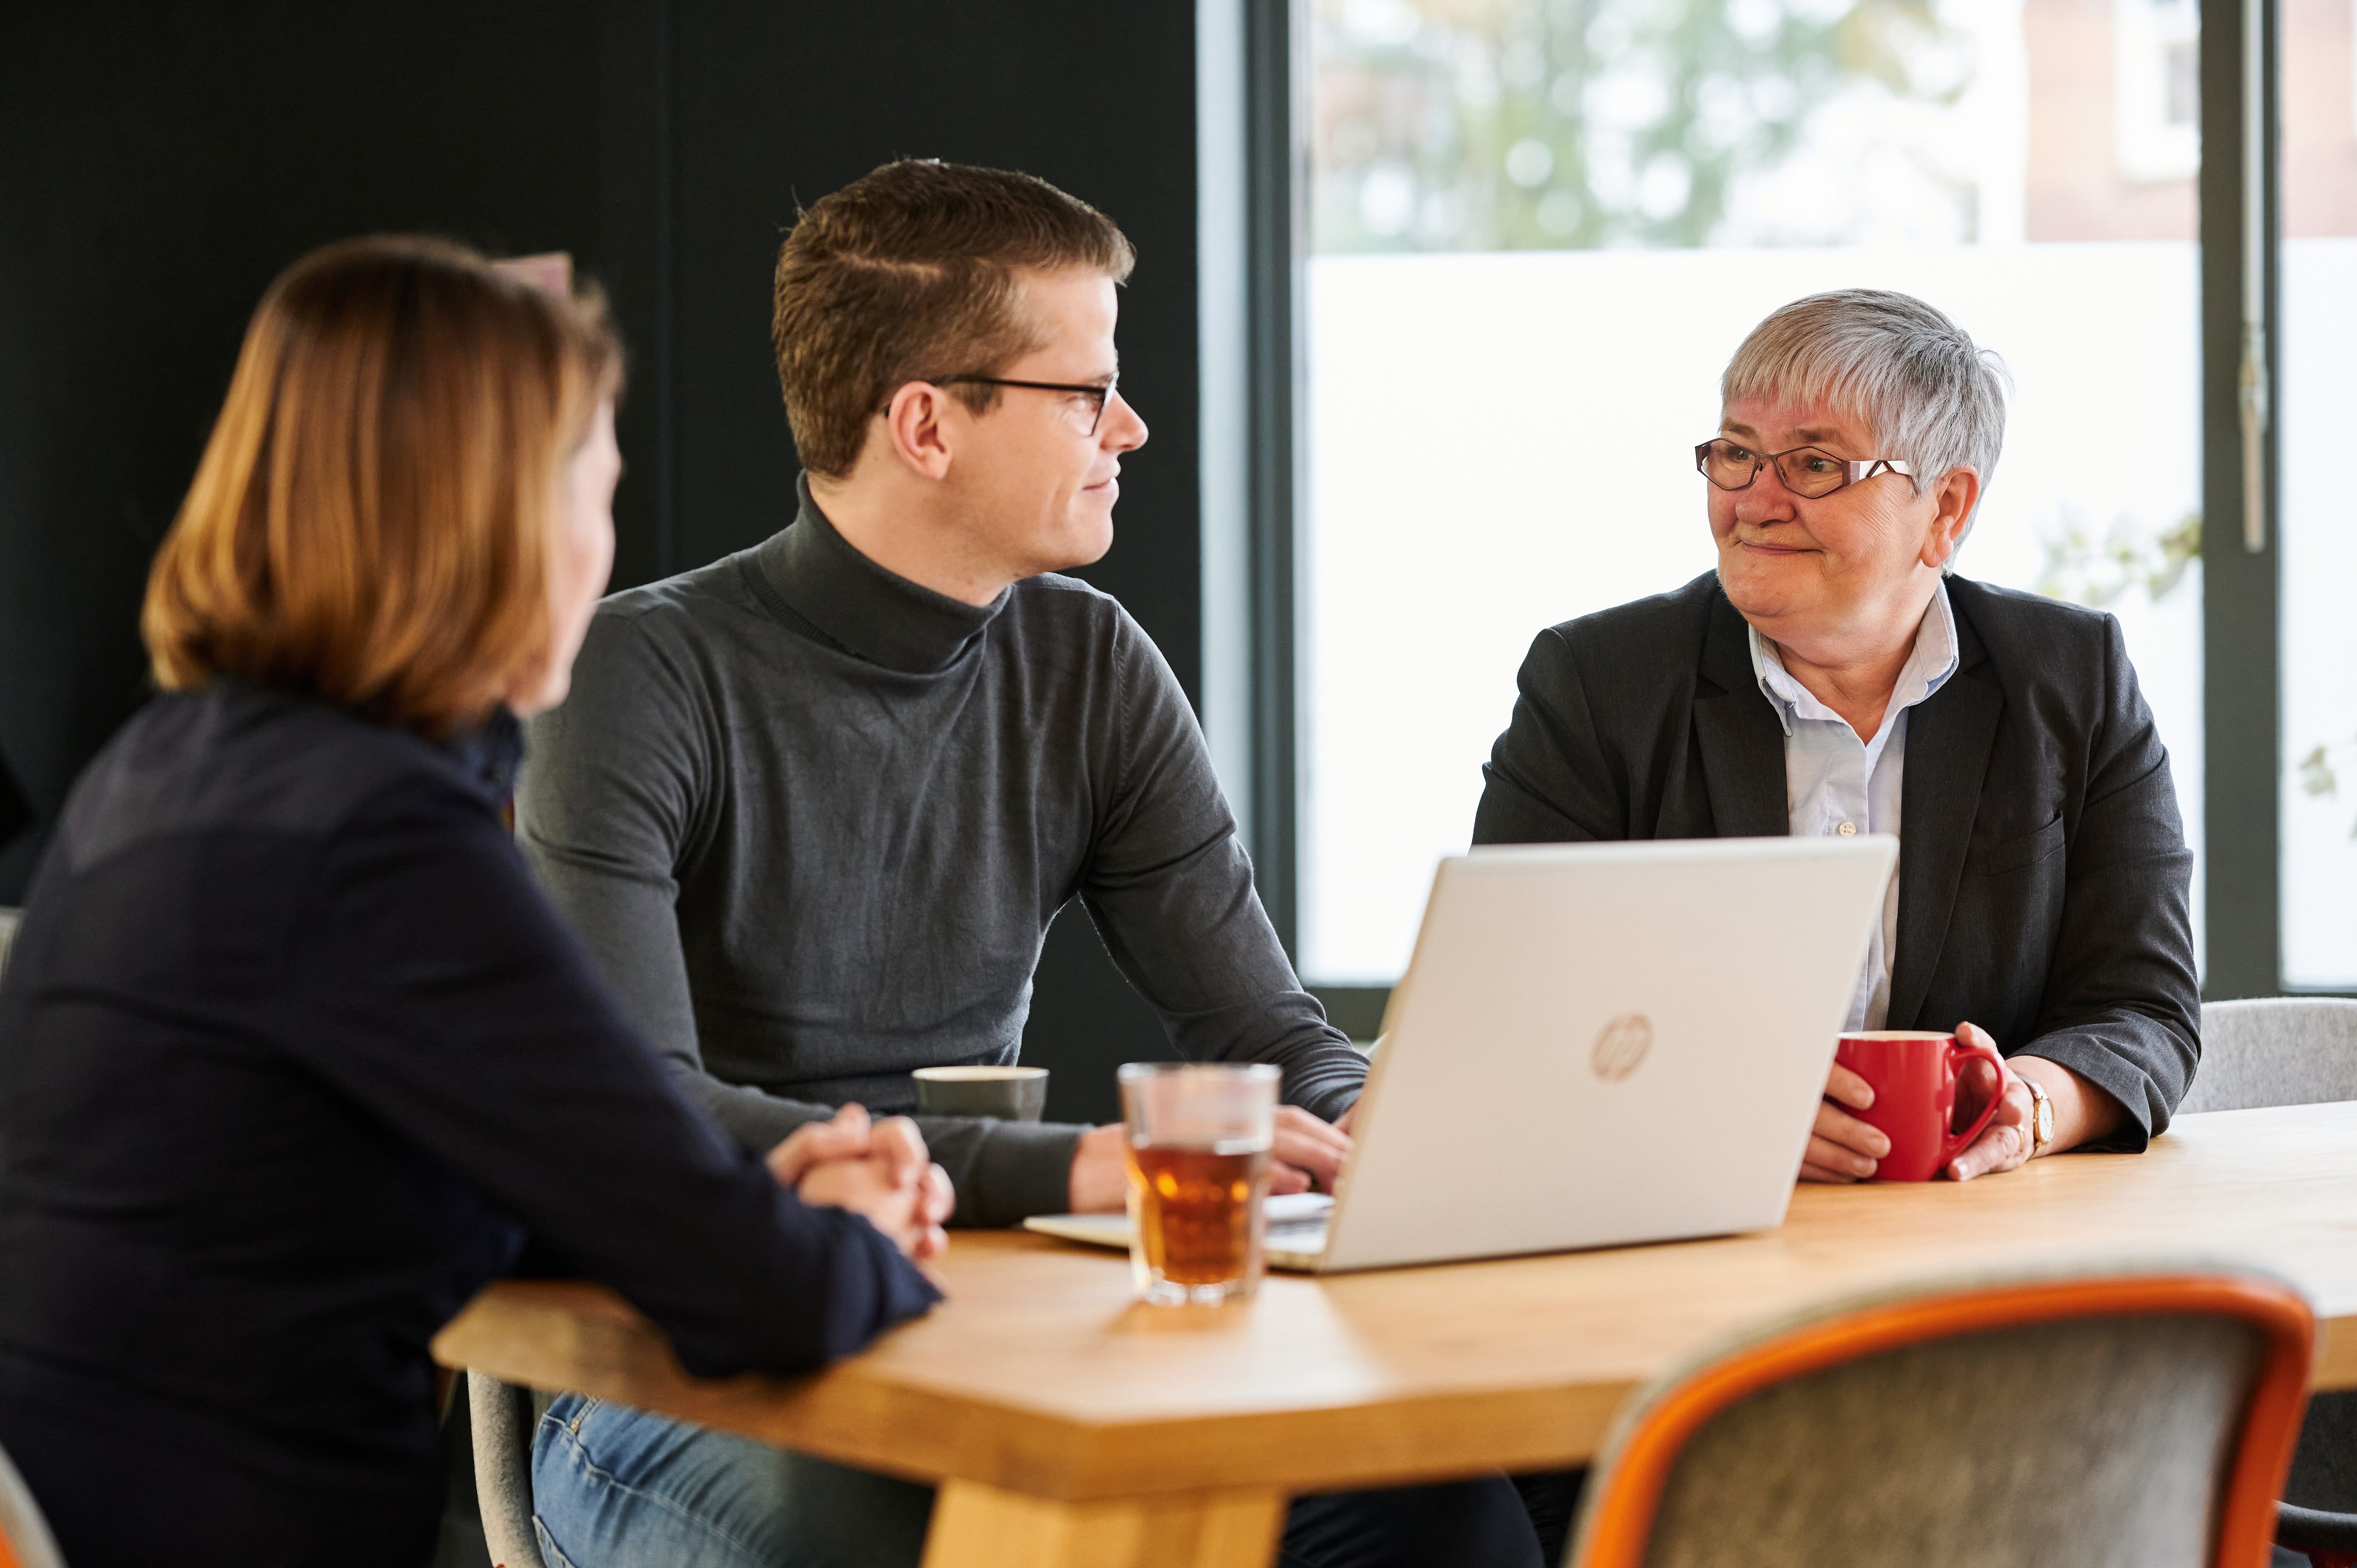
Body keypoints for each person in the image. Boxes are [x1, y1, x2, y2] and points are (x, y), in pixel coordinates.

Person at [520, 160, 1550, 1567]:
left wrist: (1380, 1125)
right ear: (927, 426)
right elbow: (641, 1113)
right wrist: (1086, 1169)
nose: (1130, 427)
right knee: (884, 1543)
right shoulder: (635, 676)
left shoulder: (1088, 661)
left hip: (988, 1327)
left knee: (1441, 1519)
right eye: (1086, 393)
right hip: (675, 1357)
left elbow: (1264, 1031)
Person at [0, 236, 952, 1568]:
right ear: (501, 520)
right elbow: (769, 1300)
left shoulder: (163, 769)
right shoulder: (382, 841)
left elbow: (422, 1174)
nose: (605, 552)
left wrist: (736, 1201)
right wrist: (840, 1235)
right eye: (599, 493)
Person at [1474, 287, 2200, 1187]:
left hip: (1983, 1223)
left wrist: (2027, 1105)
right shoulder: (1598, 684)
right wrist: (1714, 1098)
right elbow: (1507, 998)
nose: (1755, 500)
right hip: (1681, 1214)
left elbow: (2143, 1008)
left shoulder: (2072, 678)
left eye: (1815, 464)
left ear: (1945, 509)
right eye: (1737, 453)